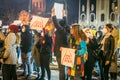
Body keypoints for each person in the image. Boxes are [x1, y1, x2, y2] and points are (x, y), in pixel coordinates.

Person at [51, 8, 70, 80]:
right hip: (67, 52)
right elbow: (65, 23)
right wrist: (64, 15)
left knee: (61, 70)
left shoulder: (61, 31)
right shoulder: (67, 32)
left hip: (60, 52)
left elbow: (56, 23)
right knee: (65, 69)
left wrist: (53, 14)